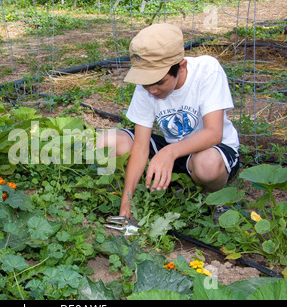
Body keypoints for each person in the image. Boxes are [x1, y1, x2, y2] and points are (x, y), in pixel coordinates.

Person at [97, 23, 240, 219]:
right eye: (146, 83)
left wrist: (169, 152)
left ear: (181, 67)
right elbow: (140, 146)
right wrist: (126, 203)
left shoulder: (207, 70)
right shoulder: (146, 87)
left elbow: (214, 133)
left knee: (206, 165)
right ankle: (169, 184)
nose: (152, 90)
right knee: (108, 141)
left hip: (210, 149)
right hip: (172, 151)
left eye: (159, 82)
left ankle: (215, 197)